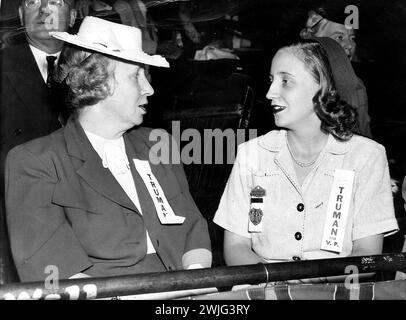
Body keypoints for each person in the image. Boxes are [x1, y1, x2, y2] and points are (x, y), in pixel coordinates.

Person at [5, 16, 212, 282]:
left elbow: (193, 231)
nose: (149, 89)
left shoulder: (158, 144)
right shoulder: (37, 162)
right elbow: (52, 272)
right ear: (99, 82)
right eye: (137, 76)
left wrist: (194, 284)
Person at [213, 37, 398, 283]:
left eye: (286, 81)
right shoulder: (252, 154)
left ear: (325, 88)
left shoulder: (366, 157)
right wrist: (277, 281)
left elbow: (367, 257)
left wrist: (313, 280)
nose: (270, 93)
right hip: (264, 287)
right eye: (271, 80)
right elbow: (235, 247)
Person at [0, 0, 76, 284]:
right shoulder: (4, 64)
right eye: (33, 2)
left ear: (74, 15)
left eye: (55, 2)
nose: (44, 10)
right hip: (19, 210)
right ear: (21, 16)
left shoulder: (96, 65)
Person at [300, 0, 372, 138]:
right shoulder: (292, 81)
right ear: (314, 40)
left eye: (352, 38)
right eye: (339, 37)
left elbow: (366, 138)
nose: (349, 45)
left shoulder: (357, 87)